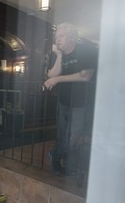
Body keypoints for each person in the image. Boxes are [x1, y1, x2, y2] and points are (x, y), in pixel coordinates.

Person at [43, 22, 98, 175]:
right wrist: (59, 55)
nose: (57, 40)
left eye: (61, 36)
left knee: (74, 137)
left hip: (81, 102)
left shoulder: (86, 49)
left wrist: (58, 80)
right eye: (56, 37)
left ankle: (58, 156)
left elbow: (86, 75)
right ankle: (66, 163)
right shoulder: (59, 53)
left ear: (72, 37)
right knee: (62, 134)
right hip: (64, 101)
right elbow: (51, 75)